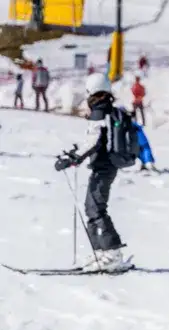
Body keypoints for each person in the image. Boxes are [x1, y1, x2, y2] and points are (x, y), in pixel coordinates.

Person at [53, 73, 133, 272]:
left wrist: (73, 159)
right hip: (107, 165)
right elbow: (95, 139)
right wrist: (75, 152)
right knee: (92, 207)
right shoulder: (107, 110)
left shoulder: (99, 111)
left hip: (103, 167)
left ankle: (112, 252)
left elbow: (94, 141)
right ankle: (100, 252)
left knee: (96, 209)